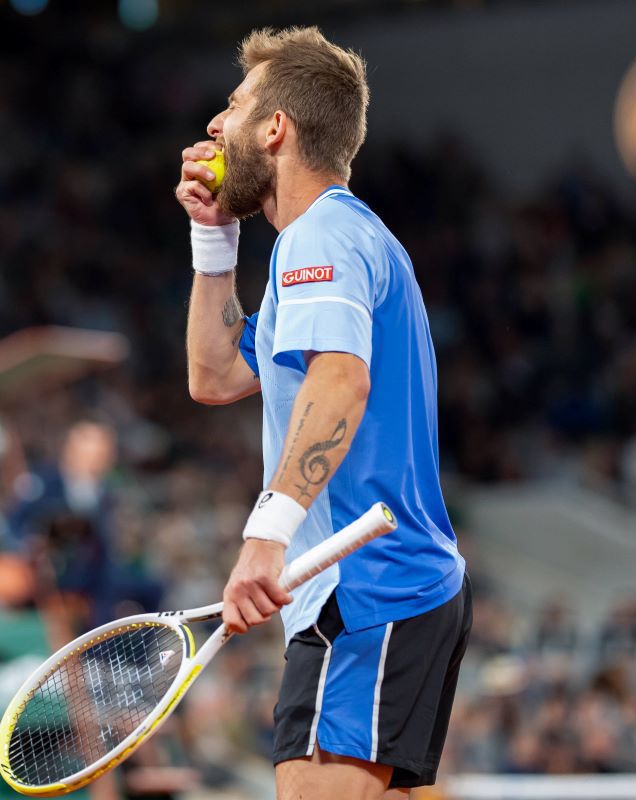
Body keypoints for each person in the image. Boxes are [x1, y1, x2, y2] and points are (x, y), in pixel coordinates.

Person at [174, 27, 472, 800]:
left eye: (234, 106)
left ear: (275, 128)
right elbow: (213, 374)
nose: (215, 124)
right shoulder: (329, 242)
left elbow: (340, 382)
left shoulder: (321, 238)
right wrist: (214, 238)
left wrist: (265, 535)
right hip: (394, 587)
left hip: (364, 590)